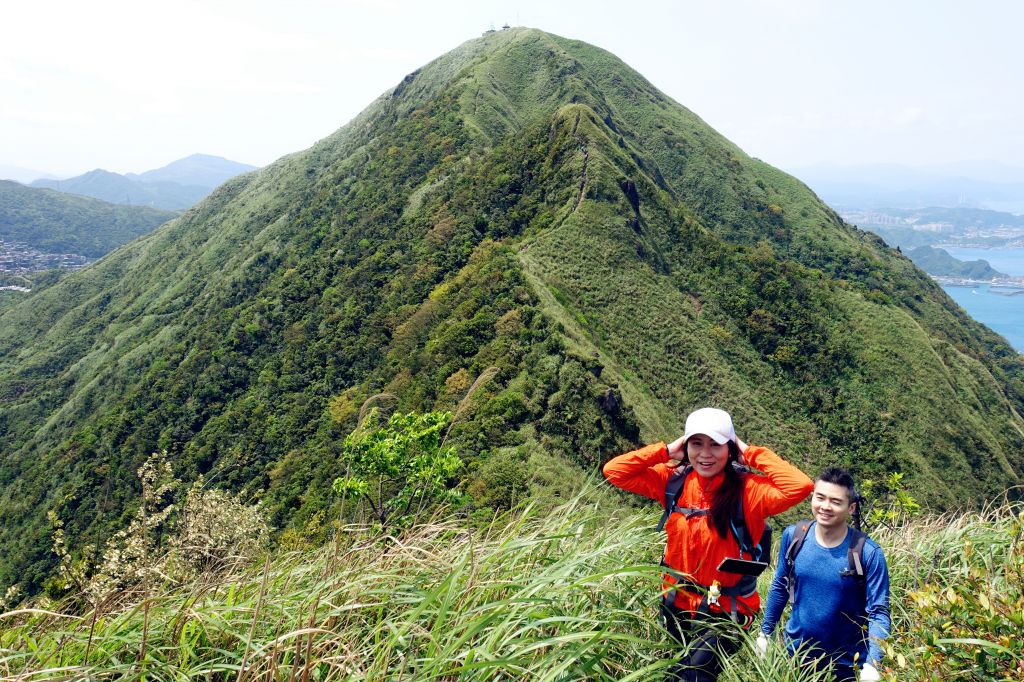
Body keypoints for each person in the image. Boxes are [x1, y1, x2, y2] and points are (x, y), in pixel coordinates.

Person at [603, 407, 813, 681]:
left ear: (730, 448)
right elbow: (614, 471)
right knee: (674, 673)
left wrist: (749, 453)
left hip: (728, 611)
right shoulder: (673, 482)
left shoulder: (748, 491)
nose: (705, 454)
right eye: (696, 443)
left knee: (690, 676)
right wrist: (665, 451)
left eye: (716, 444)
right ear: (686, 444)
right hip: (676, 603)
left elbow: (800, 486)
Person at [758, 467, 891, 682]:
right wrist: (765, 632)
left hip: (846, 666)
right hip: (794, 658)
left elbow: (879, 611)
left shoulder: (867, 553)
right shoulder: (794, 536)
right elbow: (780, 586)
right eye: (820, 498)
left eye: (836, 502)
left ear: (851, 507)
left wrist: (873, 664)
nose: (825, 507)